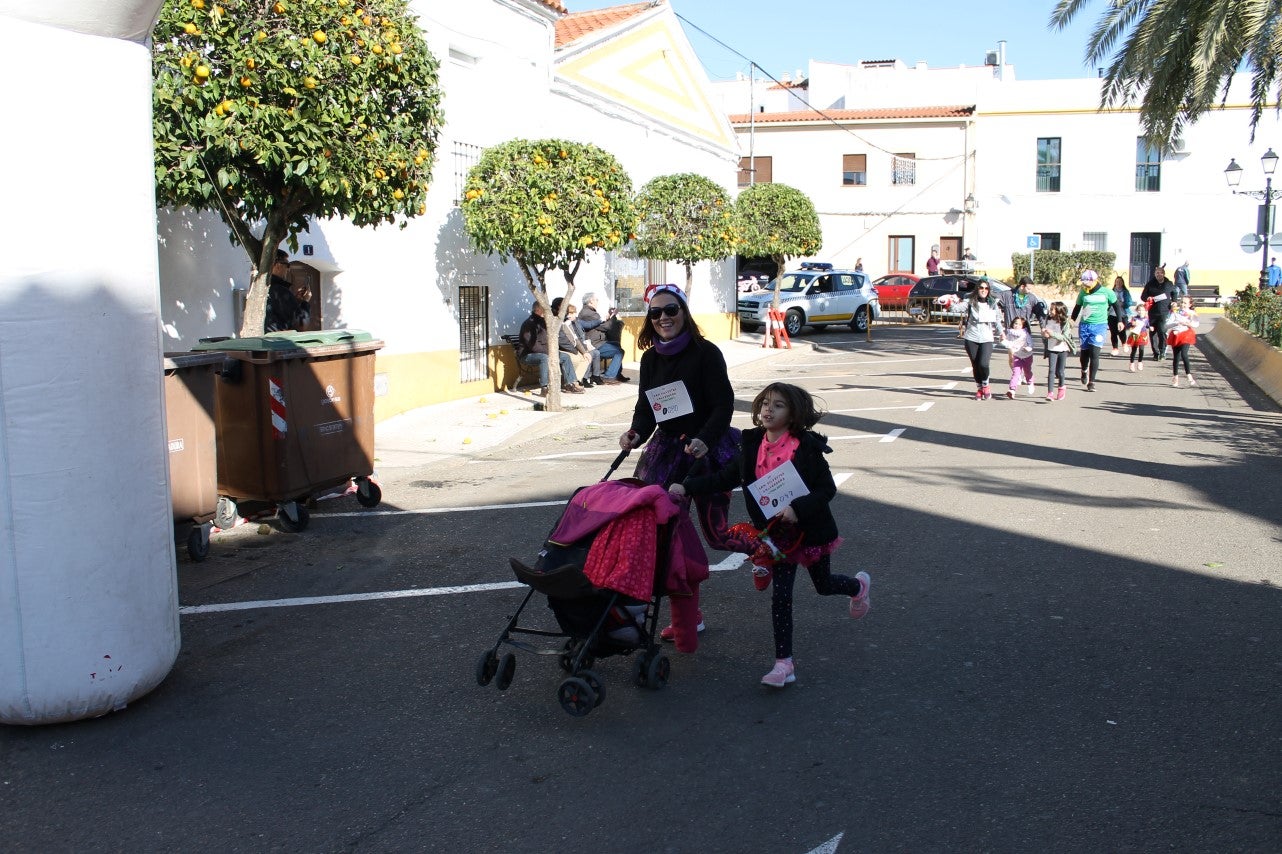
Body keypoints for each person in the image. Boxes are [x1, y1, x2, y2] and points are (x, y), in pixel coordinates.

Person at [667, 383, 869, 688]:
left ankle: (857, 585)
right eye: (765, 403)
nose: (767, 409)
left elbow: (827, 489)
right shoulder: (751, 444)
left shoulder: (806, 448)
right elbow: (727, 477)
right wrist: (687, 486)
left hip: (809, 530)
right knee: (782, 597)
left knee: (823, 585)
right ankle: (783, 663)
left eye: (778, 405)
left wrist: (797, 509)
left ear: (793, 414)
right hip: (776, 536)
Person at [618, 284, 747, 640]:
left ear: (684, 312)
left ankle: (767, 548)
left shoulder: (706, 353)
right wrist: (634, 434)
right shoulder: (650, 359)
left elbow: (724, 404)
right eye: (655, 313)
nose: (663, 318)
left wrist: (704, 438)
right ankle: (687, 617)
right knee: (664, 534)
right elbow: (647, 409)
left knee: (717, 536)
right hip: (666, 453)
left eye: (670, 310)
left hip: (707, 451)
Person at [517, 301, 583, 396]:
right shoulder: (529, 324)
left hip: (545, 352)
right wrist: (551, 353)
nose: (547, 310)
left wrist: (553, 352)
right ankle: (545, 387)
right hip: (527, 355)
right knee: (545, 358)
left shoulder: (544, 322)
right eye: (544, 308)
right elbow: (533, 346)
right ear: (538, 309)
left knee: (565, 357)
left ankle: (570, 383)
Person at [952, 279, 1004, 400]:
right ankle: (979, 388)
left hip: (987, 338)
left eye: (986, 288)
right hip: (971, 337)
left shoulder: (992, 303)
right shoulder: (970, 301)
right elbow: (956, 309)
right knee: (975, 365)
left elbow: (997, 320)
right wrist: (949, 302)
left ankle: (986, 385)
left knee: (983, 364)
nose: (984, 290)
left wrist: (1002, 333)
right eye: (981, 288)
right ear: (977, 289)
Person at [1071, 269, 1116, 392]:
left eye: (1086, 281)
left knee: (1094, 354)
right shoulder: (1083, 293)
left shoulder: (1107, 292)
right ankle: (1084, 370)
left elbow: (1116, 305)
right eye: (1083, 282)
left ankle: (1092, 382)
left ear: (1094, 280)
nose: (1084, 284)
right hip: (1085, 326)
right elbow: (1077, 307)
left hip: (1100, 326)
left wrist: (1121, 321)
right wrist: (1071, 321)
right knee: (1085, 353)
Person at [575, 292, 626, 384]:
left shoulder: (588, 312)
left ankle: (617, 373)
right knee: (619, 352)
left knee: (617, 345)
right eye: (596, 300)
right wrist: (613, 316)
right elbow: (606, 327)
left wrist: (607, 319)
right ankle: (609, 376)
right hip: (594, 344)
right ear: (591, 301)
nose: (597, 302)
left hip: (598, 342)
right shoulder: (589, 313)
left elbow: (601, 324)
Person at [550, 298, 600, 387]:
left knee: (587, 357)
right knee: (576, 359)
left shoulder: (569, 321)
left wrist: (584, 352)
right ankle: (571, 382)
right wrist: (575, 351)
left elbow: (575, 338)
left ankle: (574, 381)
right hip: (561, 349)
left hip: (571, 348)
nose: (569, 314)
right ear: (559, 307)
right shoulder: (555, 320)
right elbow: (562, 341)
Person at [264, 249, 311, 333]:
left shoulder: (262, 289)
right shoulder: (280, 291)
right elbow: (301, 325)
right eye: (287, 265)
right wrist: (305, 302)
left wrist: (296, 301)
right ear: (278, 266)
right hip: (279, 343)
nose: (288, 269)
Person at [1140, 264, 1177, 361]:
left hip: (1164, 312)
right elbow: (1143, 296)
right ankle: (1155, 353)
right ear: (1154, 274)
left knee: (1162, 331)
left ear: (1163, 274)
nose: (1158, 274)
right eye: (1157, 273)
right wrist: (1147, 298)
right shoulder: (1150, 284)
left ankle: (1162, 352)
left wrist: (1174, 301)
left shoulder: (1168, 283)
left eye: (1160, 273)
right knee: (1153, 333)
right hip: (1153, 312)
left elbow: (1175, 293)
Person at [1041, 301, 1075, 400]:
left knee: (1060, 371)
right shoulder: (1048, 319)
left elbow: (1064, 337)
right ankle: (1050, 393)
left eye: (1052, 309)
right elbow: (1045, 334)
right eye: (1050, 309)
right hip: (1051, 348)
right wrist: (1044, 335)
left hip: (1063, 349)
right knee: (1051, 370)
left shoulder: (1065, 323)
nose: (1050, 311)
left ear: (1059, 311)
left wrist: (1052, 334)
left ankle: (1061, 387)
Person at [1167, 295, 1200, 387]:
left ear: (1190, 304)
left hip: (1186, 334)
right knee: (1176, 356)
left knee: (1184, 354)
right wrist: (1175, 323)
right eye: (1181, 302)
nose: (1182, 304)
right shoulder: (1175, 311)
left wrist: (1188, 323)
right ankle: (1175, 376)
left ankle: (1188, 374)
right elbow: (1168, 323)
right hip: (1176, 334)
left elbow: (1196, 324)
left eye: (1185, 303)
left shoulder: (1192, 313)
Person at [1001, 316, 1036, 398]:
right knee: (1016, 372)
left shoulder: (1025, 334)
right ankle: (1012, 390)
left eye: (1019, 324)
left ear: (1023, 326)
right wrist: (1002, 340)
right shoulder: (1010, 333)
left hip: (1027, 356)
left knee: (1027, 371)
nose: (1016, 325)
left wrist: (1028, 348)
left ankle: (1030, 382)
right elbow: (1008, 343)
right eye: (1015, 323)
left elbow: (1031, 343)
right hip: (1017, 356)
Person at [1107, 275, 1133, 356]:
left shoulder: (1125, 292)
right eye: (1117, 281)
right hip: (1112, 314)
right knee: (1113, 332)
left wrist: (1123, 304)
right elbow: (1107, 301)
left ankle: (1124, 343)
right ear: (1115, 283)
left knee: (1122, 331)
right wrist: (1112, 304)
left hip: (1123, 314)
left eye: (1120, 282)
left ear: (1122, 283)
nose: (1118, 283)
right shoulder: (1111, 292)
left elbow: (1129, 302)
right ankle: (1115, 348)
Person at [1125, 304, 1150, 372]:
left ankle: (1140, 362)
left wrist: (1151, 327)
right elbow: (1127, 326)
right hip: (1135, 334)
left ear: (1145, 311)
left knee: (1141, 349)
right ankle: (1132, 363)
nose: (1141, 311)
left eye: (1142, 310)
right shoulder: (1134, 318)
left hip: (1143, 335)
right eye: (1139, 310)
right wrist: (1132, 324)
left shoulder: (1146, 319)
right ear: (1136, 310)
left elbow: (1148, 325)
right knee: (1134, 349)